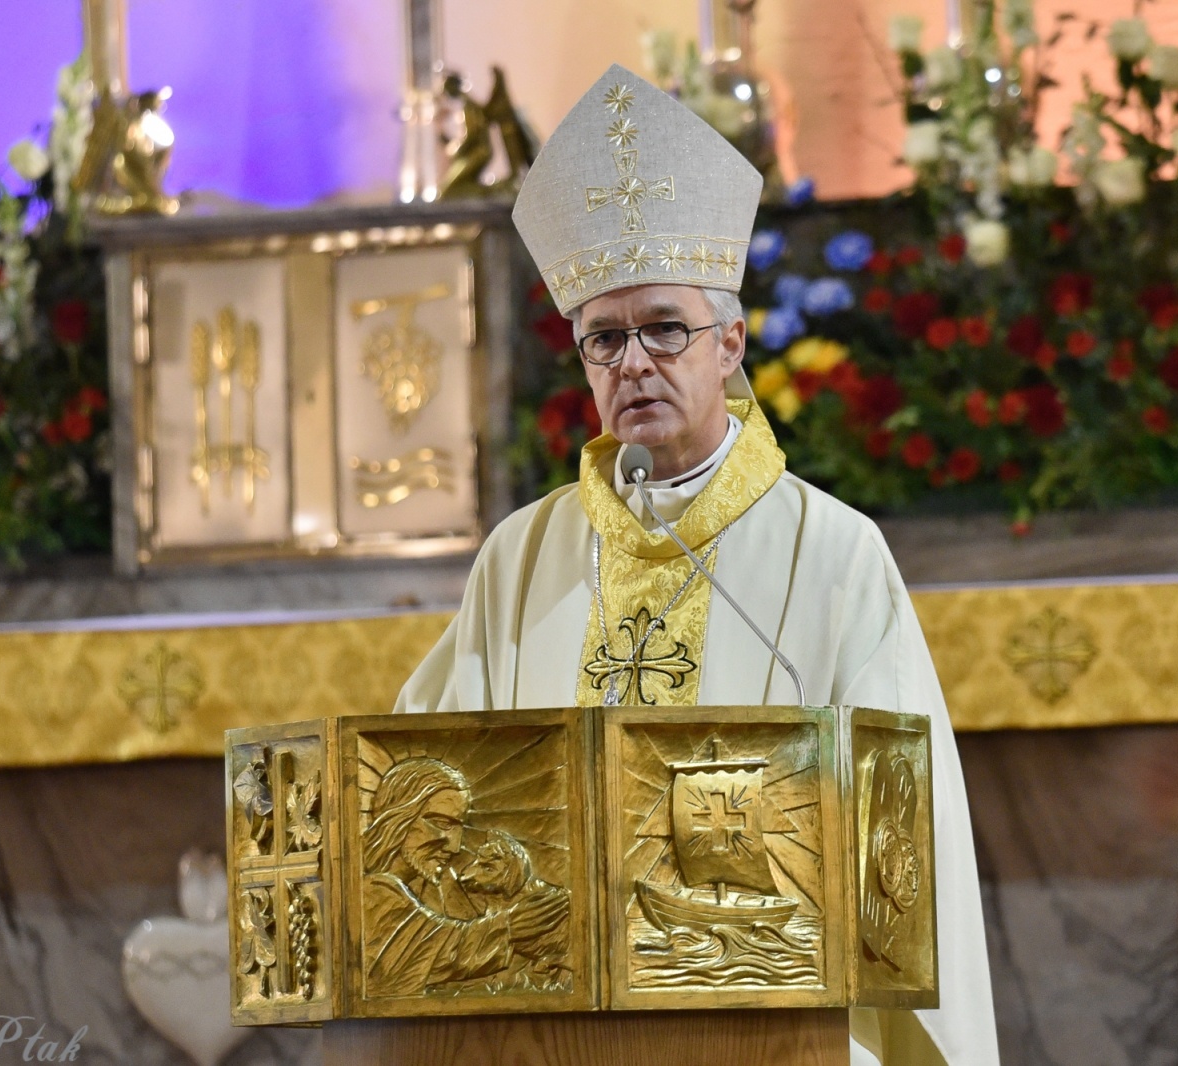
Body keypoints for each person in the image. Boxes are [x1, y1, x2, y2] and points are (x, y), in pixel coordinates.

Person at [396, 65, 998, 1064]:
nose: (633, 362)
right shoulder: (523, 557)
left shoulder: (834, 552)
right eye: (603, 338)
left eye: (664, 328)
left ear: (730, 342)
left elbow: (904, 823)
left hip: (769, 1029)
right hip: (554, 1026)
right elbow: (429, 783)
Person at [361, 757, 569, 996]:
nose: (455, 846)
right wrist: (509, 926)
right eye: (441, 823)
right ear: (396, 819)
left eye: (459, 827)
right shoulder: (373, 891)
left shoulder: (413, 895)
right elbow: (430, 950)